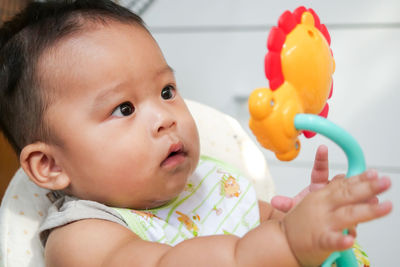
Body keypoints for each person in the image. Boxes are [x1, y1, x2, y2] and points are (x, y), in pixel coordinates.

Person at [0, 1, 392, 266]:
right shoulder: (82, 238)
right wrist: (287, 242)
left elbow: (268, 220)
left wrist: (307, 218)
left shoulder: (208, 181)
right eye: (124, 108)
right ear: (49, 165)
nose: (166, 118)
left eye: (167, 91)